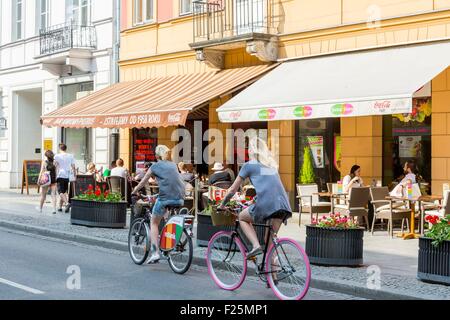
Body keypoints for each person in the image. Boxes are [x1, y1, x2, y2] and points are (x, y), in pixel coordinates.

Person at [219, 138, 292, 260]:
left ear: (251, 150)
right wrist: (256, 198)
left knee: (242, 217)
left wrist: (222, 204)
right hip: (283, 205)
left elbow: (232, 190)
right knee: (270, 243)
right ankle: (274, 276)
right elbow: (271, 186)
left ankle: (255, 246)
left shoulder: (249, 165)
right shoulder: (271, 165)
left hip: (267, 204)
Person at [132, 145, 185, 264]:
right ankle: (168, 240)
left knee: (154, 222)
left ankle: (155, 253)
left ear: (156, 155)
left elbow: (143, 181)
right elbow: (172, 180)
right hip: (180, 198)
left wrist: (135, 190)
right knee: (166, 216)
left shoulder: (155, 166)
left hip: (165, 198)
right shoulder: (173, 165)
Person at [54, 143, 76, 213]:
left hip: (60, 175)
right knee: (64, 192)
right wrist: (75, 175)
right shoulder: (71, 156)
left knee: (60, 192)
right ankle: (60, 207)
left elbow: (55, 165)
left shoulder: (57, 156)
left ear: (60, 149)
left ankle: (67, 203)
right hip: (67, 176)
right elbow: (73, 166)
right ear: (66, 148)